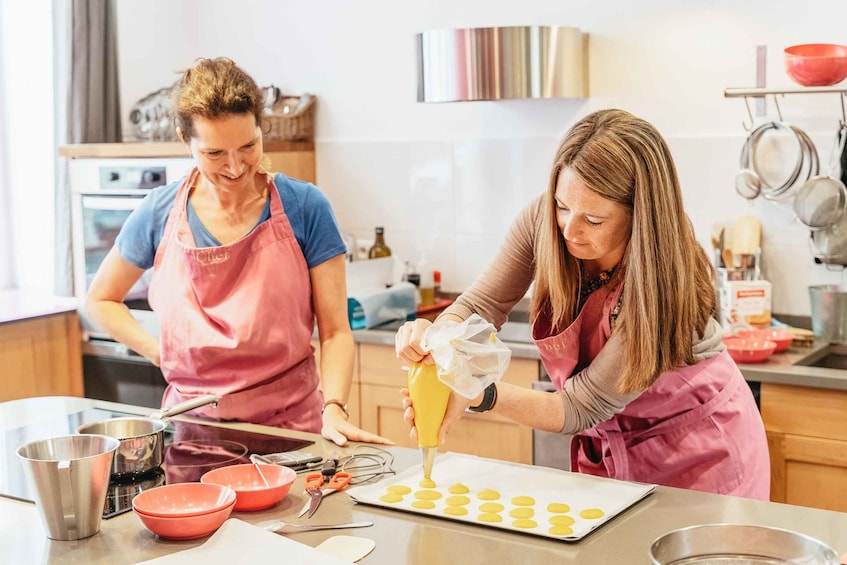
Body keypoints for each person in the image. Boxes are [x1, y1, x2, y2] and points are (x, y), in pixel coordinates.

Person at [395, 109, 770, 499]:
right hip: (615, 450)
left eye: (593, 220)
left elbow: (580, 407)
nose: (568, 230)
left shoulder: (663, 280)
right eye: (561, 205)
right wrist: (433, 336)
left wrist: (479, 393)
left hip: (702, 454)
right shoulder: (545, 222)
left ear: (639, 216)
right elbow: (482, 303)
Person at [85, 57, 390, 447]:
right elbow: (101, 299)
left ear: (262, 128)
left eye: (248, 145)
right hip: (191, 432)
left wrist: (334, 407)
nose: (234, 166)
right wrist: (160, 351)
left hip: (290, 432)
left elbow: (334, 332)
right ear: (185, 140)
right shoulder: (159, 212)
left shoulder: (305, 207)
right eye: (214, 154)